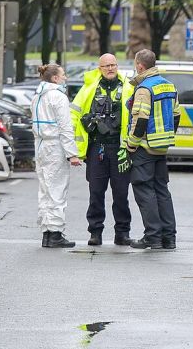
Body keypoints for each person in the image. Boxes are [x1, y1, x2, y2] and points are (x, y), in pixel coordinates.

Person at [72, 53, 134, 246]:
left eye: (113, 65)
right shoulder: (89, 88)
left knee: (121, 193)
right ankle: (95, 232)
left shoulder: (129, 87)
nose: (110, 68)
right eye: (106, 66)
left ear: (118, 66)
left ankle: (122, 233)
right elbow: (73, 115)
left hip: (120, 148)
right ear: (99, 68)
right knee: (96, 192)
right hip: (97, 148)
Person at [126, 49, 181, 250]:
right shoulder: (169, 85)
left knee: (144, 191)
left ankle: (153, 237)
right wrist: (166, 137)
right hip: (162, 146)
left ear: (140, 66)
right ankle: (169, 238)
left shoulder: (144, 89)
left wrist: (131, 144)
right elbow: (176, 115)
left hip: (145, 147)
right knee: (162, 191)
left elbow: (140, 120)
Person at [31, 64, 82, 249]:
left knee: (45, 190)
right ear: (54, 78)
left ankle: (46, 233)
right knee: (57, 190)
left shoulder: (37, 96)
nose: (65, 78)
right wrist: (72, 154)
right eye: (63, 75)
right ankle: (55, 234)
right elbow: (65, 127)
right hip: (54, 147)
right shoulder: (58, 97)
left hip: (40, 146)